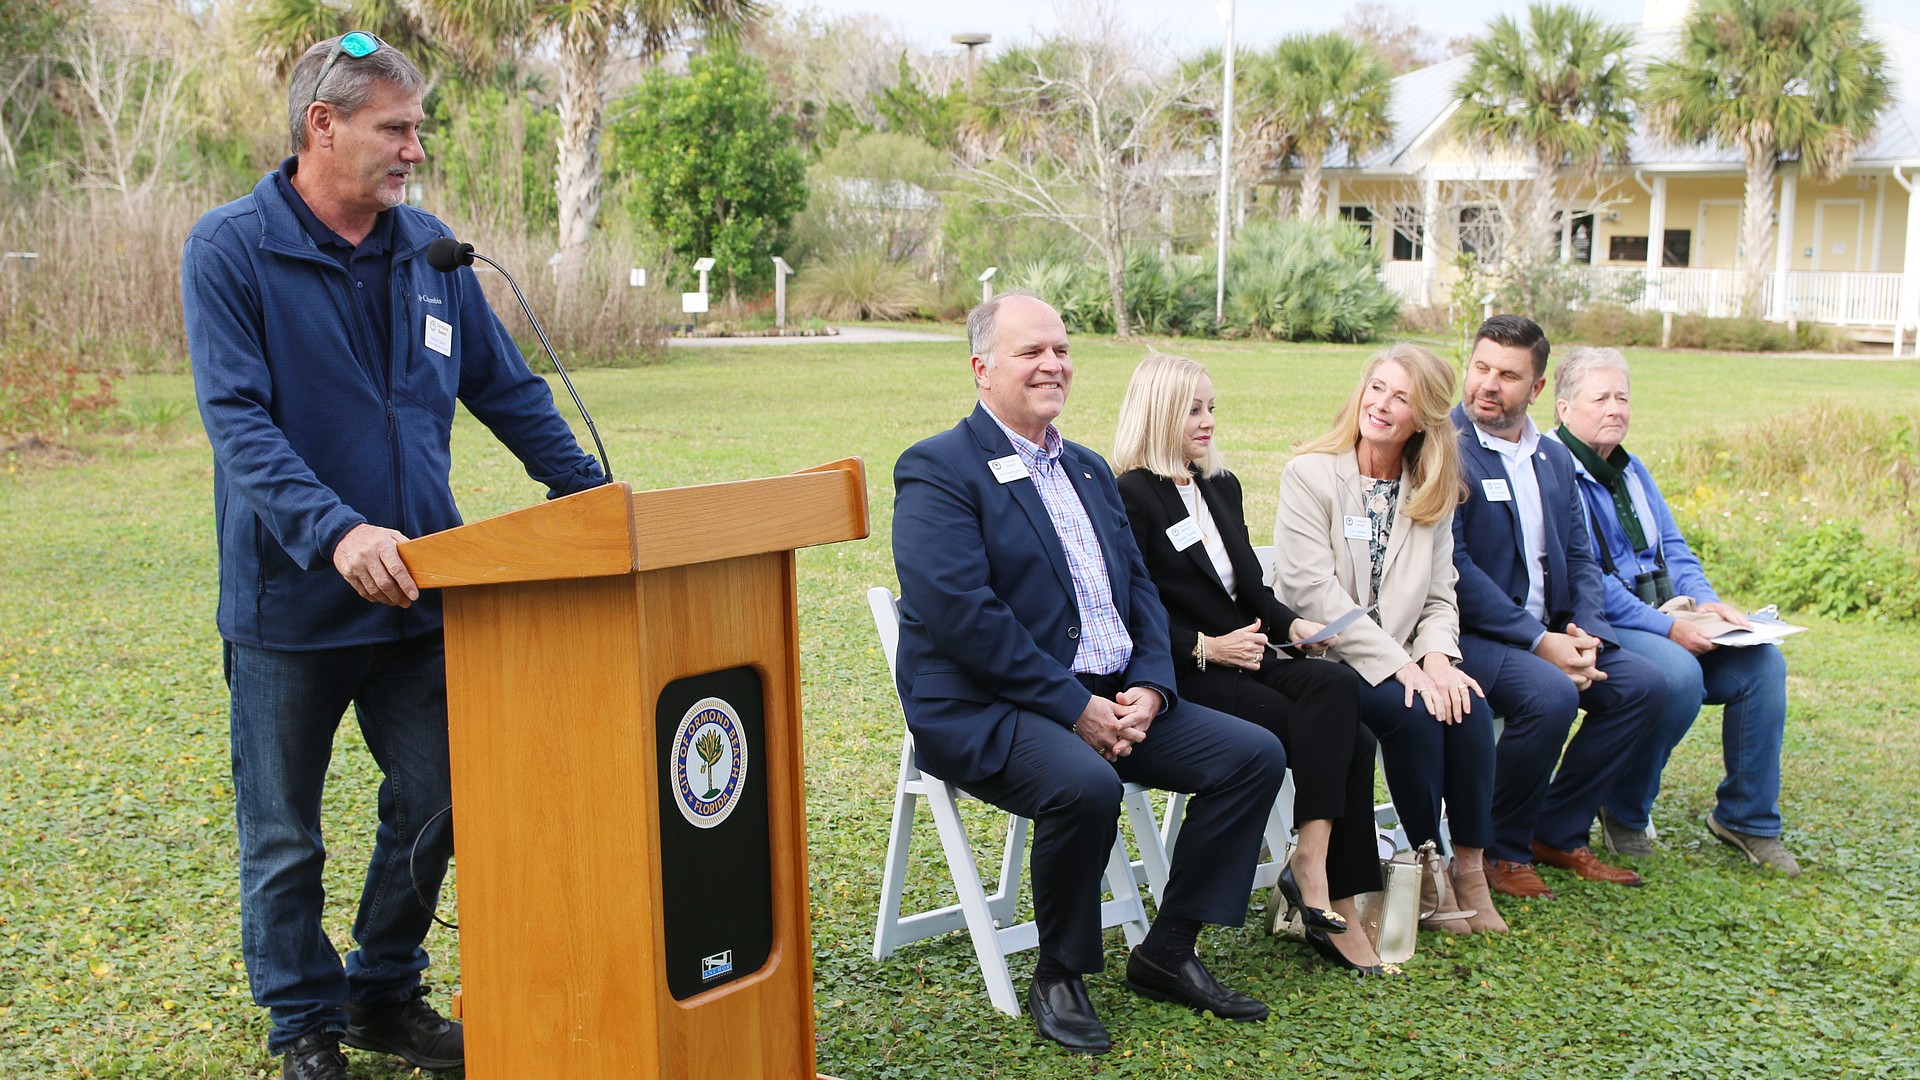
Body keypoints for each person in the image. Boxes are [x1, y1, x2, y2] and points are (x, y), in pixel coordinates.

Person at [181, 34, 607, 1080]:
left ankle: (381, 994)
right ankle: (302, 1025)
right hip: (292, 604)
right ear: (322, 126)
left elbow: (504, 391)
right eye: (395, 128)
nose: (415, 149)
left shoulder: (430, 252)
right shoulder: (231, 248)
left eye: (419, 128)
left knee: (443, 796)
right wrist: (337, 532)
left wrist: (597, 500)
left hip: (428, 592)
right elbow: (239, 423)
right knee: (285, 837)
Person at [890, 291, 1287, 1055]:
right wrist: (1075, 706)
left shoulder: (1090, 470)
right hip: (989, 706)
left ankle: (1166, 951)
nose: (1053, 364)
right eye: (1030, 351)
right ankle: (1060, 973)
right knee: (1086, 783)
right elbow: (963, 616)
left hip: (1107, 697)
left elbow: (1137, 591)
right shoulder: (938, 470)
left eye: (1061, 349)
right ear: (981, 368)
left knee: (1253, 754)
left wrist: (1151, 684)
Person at [1111, 352, 1397, 975]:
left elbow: (1252, 593)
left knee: (1336, 685)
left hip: (1248, 653)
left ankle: (1311, 863)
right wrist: (1205, 648)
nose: (1208, 420)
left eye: (1212, 407)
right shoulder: (1129, 495)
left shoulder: (1221, 486)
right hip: (1184, 671)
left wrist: (1296, 625)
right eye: (1193, 409)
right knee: (1356, 737)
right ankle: (1323, 887)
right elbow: (1132, 607)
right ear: (1159, 412)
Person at [1273, 343, 1506, 934]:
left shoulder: (1429, 488)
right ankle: (1426, 862)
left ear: (1423, 417)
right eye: (1376, 387)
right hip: (1325, 659)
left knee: (1468, 704)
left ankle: (1470, 865)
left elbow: (1439, 594)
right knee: (1414, 708)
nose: (1379, 404)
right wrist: (1404, 668)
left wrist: (1438, 658)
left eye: (1399, 397)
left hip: (1403, 657)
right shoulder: (1311, 474)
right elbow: (1309, 590)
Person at [1547, 346, 1799, 875]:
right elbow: (1584, 578)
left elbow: (1673, 549)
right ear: (1564, 408)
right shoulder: (1552, 469)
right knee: (1679, 674)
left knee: (1762, 667)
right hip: (1599, 623)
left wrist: (1705, 602)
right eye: (1601, 398)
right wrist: (1668, 627)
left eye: (1623, 397)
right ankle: (1623, 809)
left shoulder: (1631, 468)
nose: (1616, 408)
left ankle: (1747, 820)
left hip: (1668, 614)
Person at [1450, 315, 1664, 900]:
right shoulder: (1444, 447)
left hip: (1552, 633)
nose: (1488, 385)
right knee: (1550, 693)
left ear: (1538, 389)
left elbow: (1581, 556)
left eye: (1509, 375)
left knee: (1642, 686)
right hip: (1467, 636)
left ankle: (1557, 830)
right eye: (1481, 368)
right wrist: (1538, 641)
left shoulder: (1551, 458)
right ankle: (1497, 847)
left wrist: (1587, 633)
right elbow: (1455, 567)